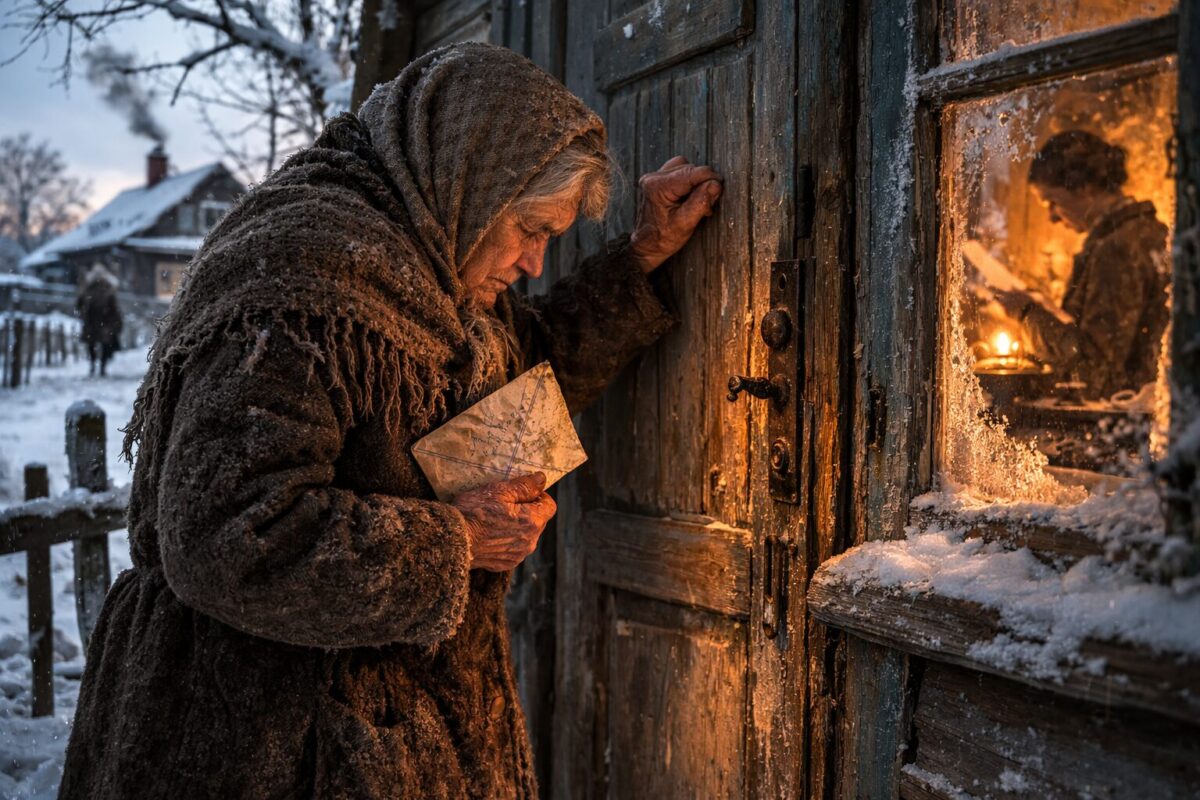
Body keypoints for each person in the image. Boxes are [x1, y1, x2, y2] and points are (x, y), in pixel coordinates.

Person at [59, 44, 722, 799]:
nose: (536, 262)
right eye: (531, 229)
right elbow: (223, 533)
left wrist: (643, 254)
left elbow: (521, 376)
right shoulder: (300, 278)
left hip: (389, 725)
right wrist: (453, 541)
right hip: (264, 741)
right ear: (469, 182)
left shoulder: (436, 265)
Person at [994, 129, 1170, 400]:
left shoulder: (1117, 250)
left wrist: (1028, 314)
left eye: (1052, 201)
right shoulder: (1150, 233)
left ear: (1085, 188)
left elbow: (1095, 371)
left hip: (1123, 419)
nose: (1052, 217)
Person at [75, 263, 122, 377]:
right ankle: (98, 365)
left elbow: (79, 305)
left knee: (98, 344)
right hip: (97, 322)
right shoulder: (94, 290)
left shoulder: (99, 290)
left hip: (99, 322)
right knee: (99, 344)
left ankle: (98, 366)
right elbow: (79, 305)